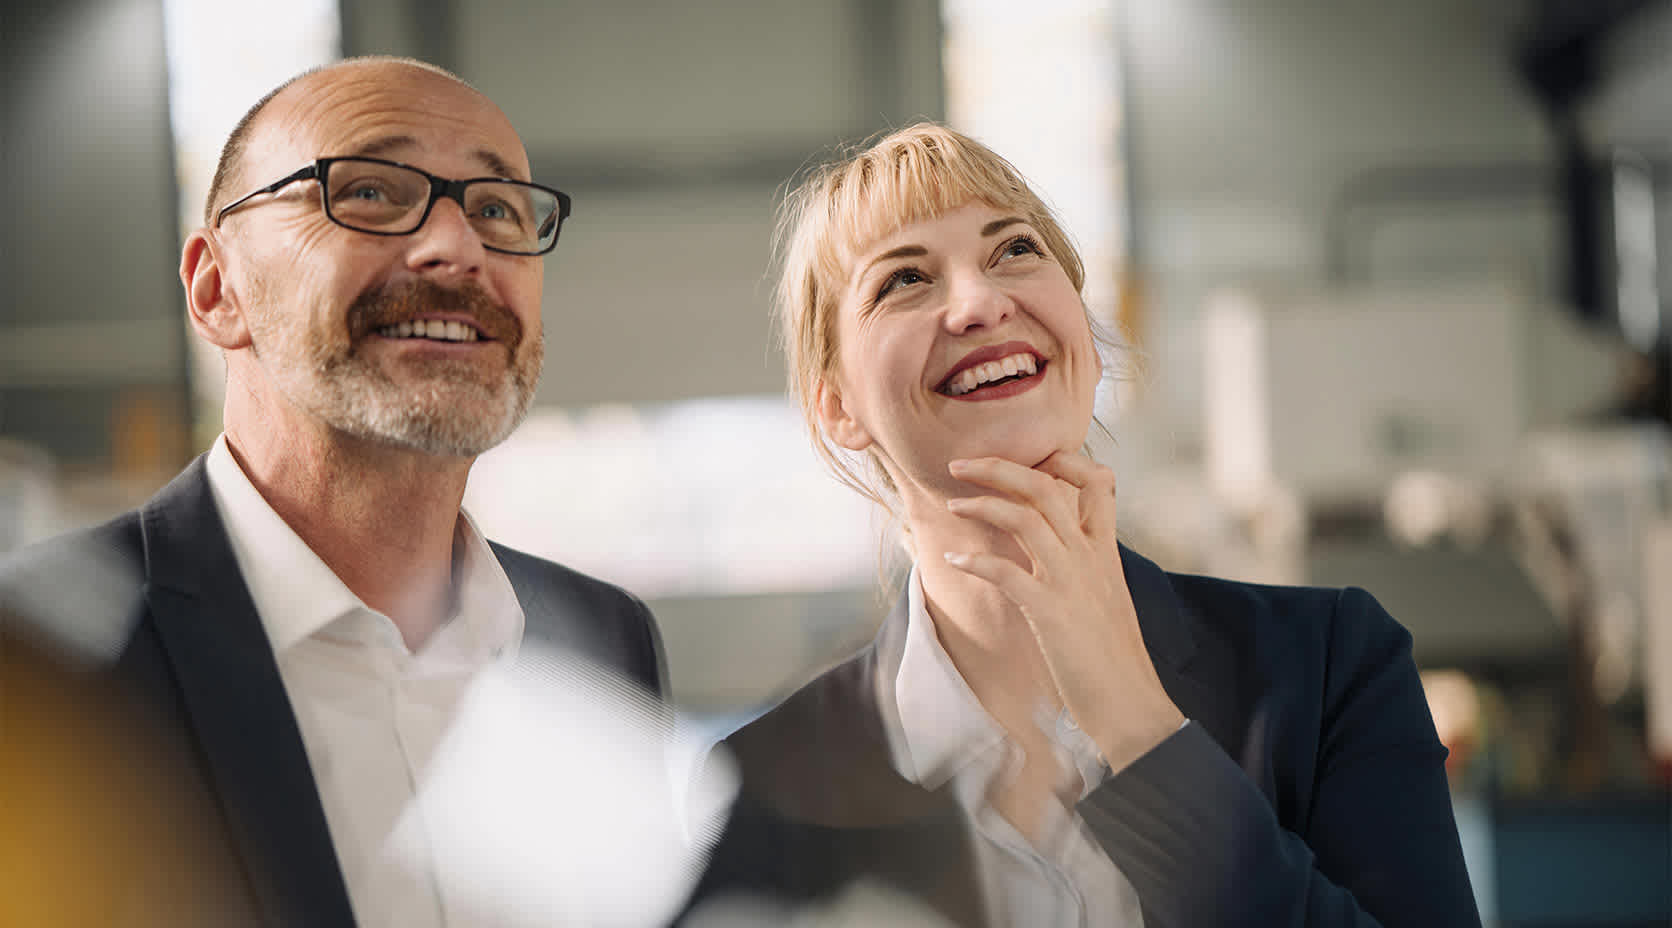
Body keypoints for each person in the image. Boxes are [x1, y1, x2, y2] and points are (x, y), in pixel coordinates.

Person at [687, 124, 1482, 927]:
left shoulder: (1331, 669)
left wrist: (1136, 721)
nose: (979, 302)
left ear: (1085, 339)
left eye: (1014, 251)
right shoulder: (764, 789)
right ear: (838, 407)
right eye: (903, 281)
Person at [0, 57, 665, 927]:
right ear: (216, 289)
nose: (458, 248)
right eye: (372, 194)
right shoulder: (45, 657)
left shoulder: (605, 640)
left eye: (497, 210)